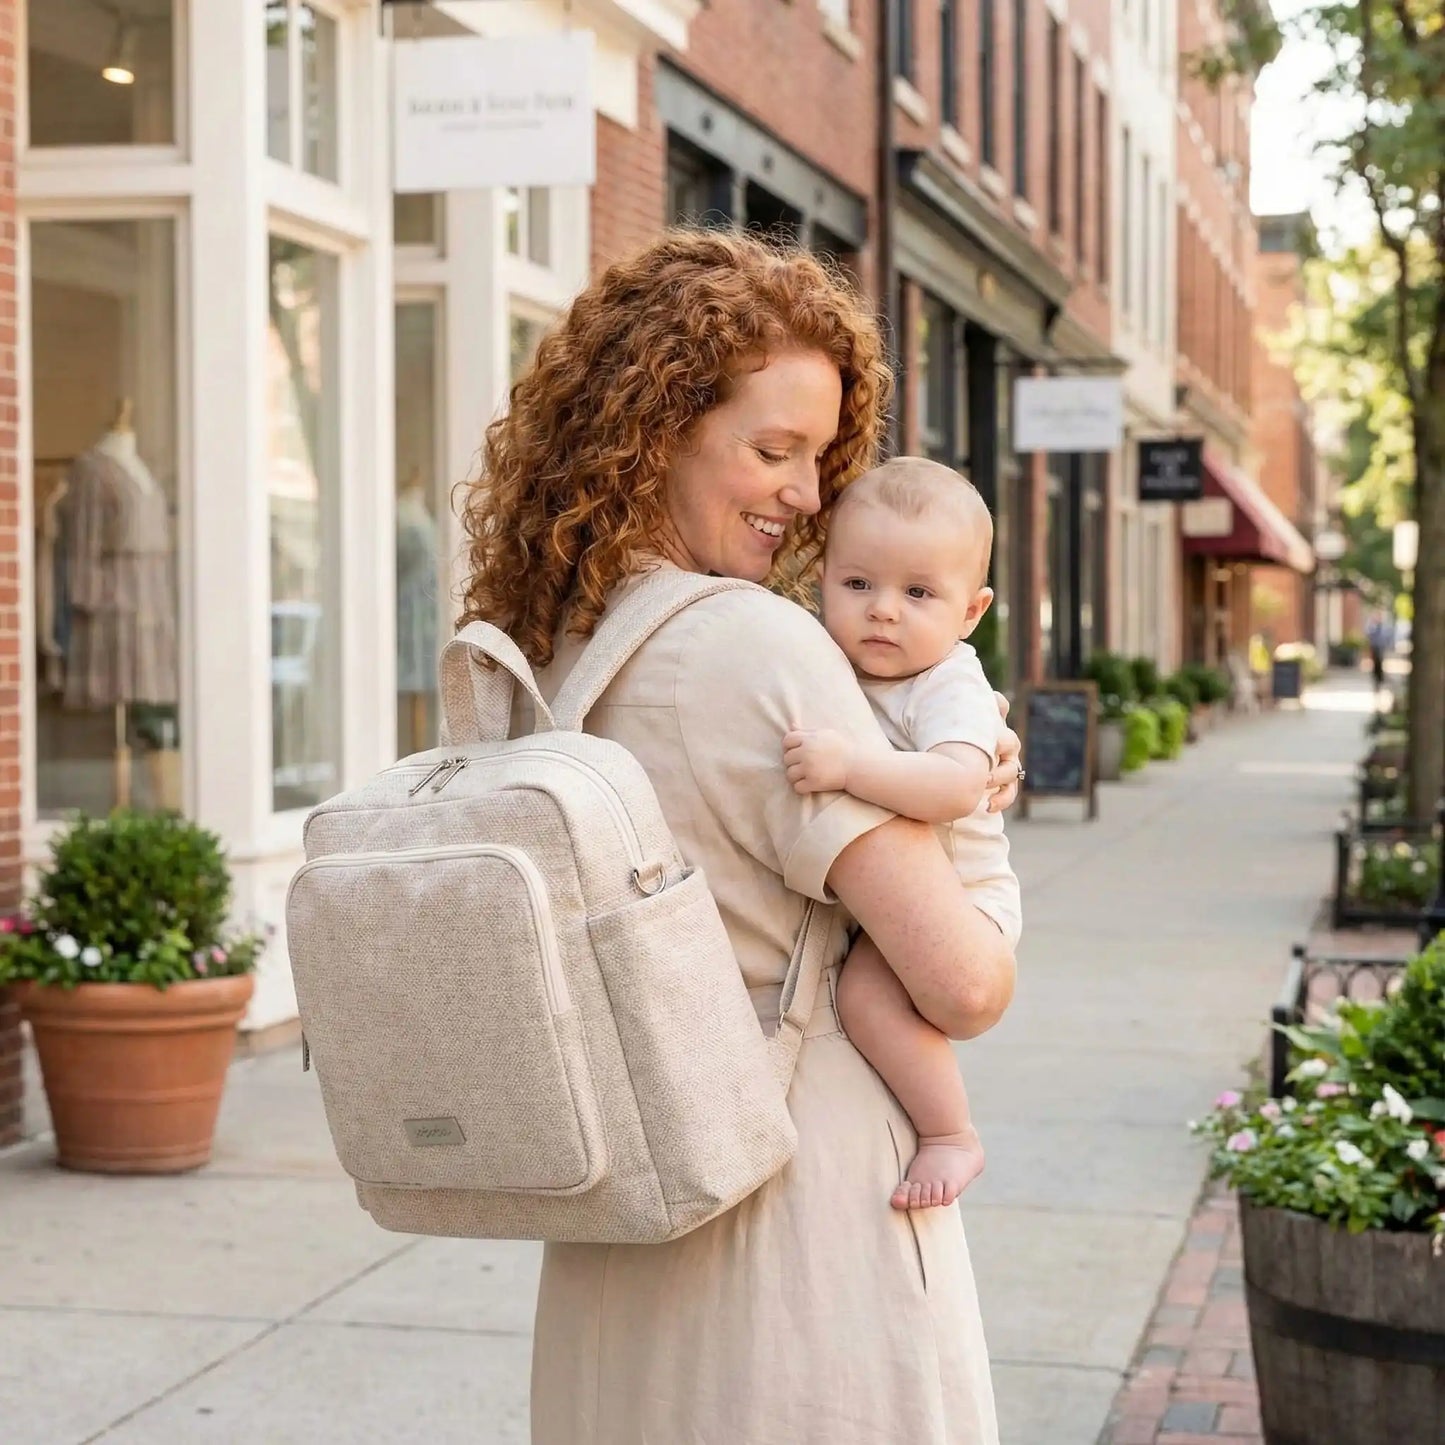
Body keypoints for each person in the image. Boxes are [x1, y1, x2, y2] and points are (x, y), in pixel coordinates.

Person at [458, 228, 1022, 1445]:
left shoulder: (560, 642)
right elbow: (965, 981)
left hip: (623, 1211)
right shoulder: (758, 649)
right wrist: (969, 804)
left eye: (820, 459)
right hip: (797, 1206)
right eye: (772, 450)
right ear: (657, 426)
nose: (808, 496)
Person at [783, 457, 1020, 1212]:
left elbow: (954, 787)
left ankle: (951, 1133)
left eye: (918, 593)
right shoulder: (835, 662)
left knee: (868, 999)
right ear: (822, 580)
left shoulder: (948, 681)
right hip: (895, 903)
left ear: (971, 610)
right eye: (858, 585)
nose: (882, 610)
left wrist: (851, 764)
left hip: (967, 901)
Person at [1365, 611, 1394, 694]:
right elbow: (1369, 636)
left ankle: (1380, 680)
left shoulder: (1385, 628)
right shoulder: (1372, 627)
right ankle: (1376, 681)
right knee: (1375, 665)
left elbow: (1388, 637)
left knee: (1380, 664)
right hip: (1375, 648)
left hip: (1381, 648)